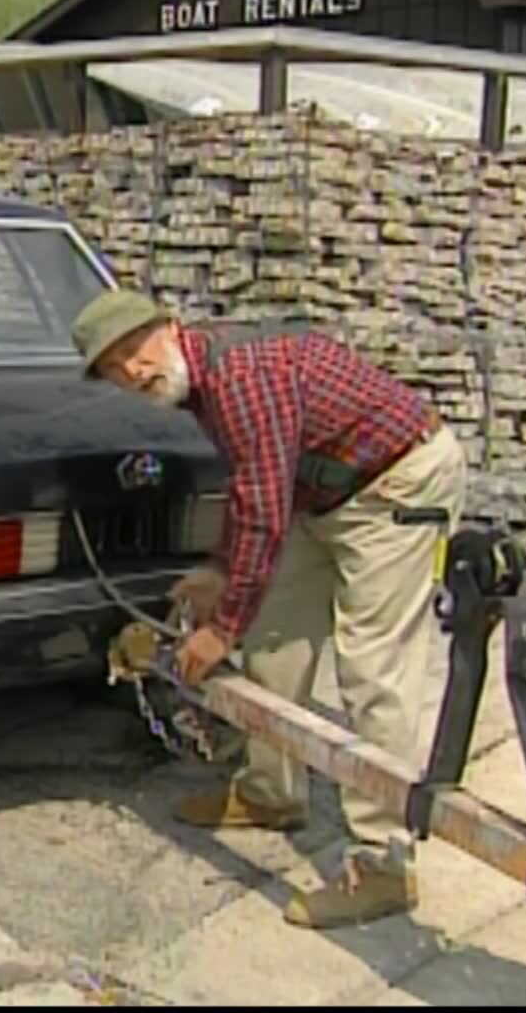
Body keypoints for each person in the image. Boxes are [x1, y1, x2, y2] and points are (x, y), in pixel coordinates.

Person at [71, 287, 468, 930]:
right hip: (326, 493)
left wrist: (221, 628)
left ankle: (384, 864)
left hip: (399, 483)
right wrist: (220, 573)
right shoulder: (202, 384)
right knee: (274, 632)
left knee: (375, 670)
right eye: (113, 368)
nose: (132, 372)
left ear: (169, 327)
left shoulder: (239, 376)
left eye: (134, 349)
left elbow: (262, 504)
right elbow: (254, 487)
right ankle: (271, 793)